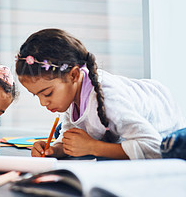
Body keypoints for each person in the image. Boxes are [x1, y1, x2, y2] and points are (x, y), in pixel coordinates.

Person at [15, 28, 186, 159]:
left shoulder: (108, 98)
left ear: (74, 75)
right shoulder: (70, 95)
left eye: (47, 93)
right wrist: (55, 149)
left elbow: (154, 146)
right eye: (36, 95)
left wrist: (93, 147)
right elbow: (71, 133)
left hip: (167, 126)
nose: (43, 103)